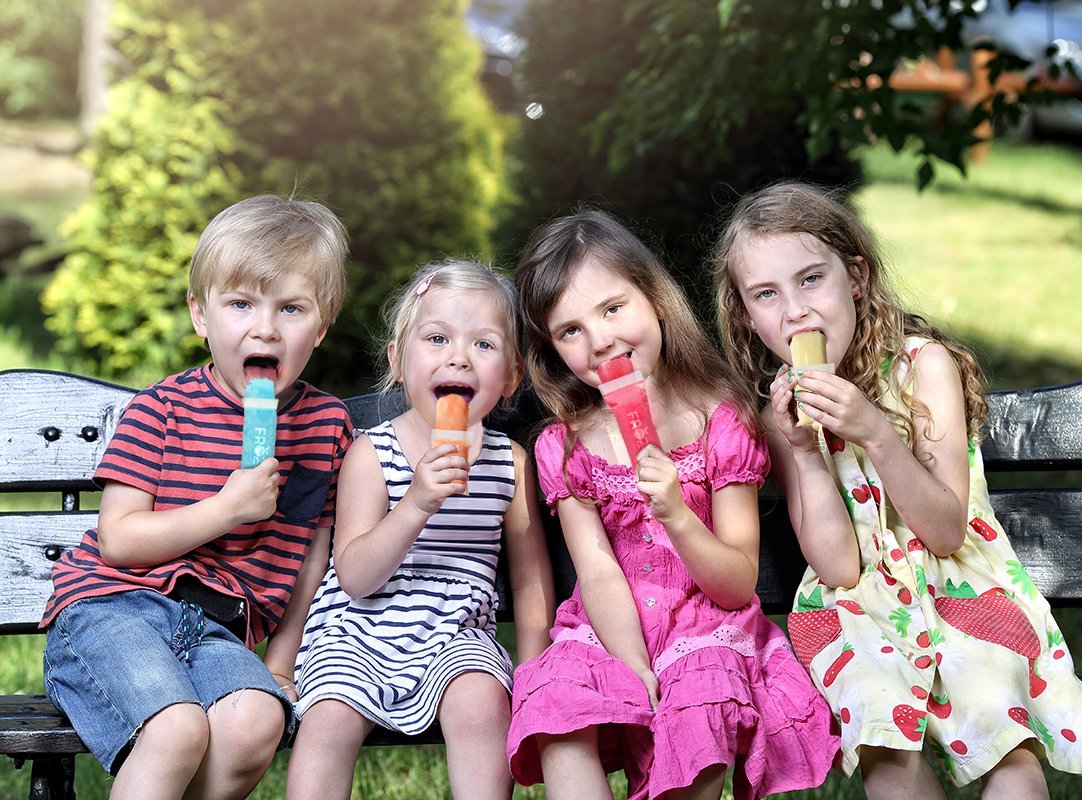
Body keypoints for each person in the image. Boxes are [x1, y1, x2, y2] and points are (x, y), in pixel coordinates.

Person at [714, 180, 1082, 798]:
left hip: (965, 590)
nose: (795, 311)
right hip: (860, 608)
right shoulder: (780, 415)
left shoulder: (923, 369)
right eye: (766, 295)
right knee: (887, 748)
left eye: (811, 279)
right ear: (748, 317)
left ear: (856, 275)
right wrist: (804, 455)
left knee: (1003, 743)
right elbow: (836, 566)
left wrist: (876, 433)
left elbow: (943, 530)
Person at [506, 209, 838, 800]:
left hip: (705, 630)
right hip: (608, 631)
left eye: (612, 309)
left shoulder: (721, 423)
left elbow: (736, 583)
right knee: (559, 711)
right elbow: (600, 572)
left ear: (655, 298)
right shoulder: (567, 446)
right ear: (553, 349)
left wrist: (677, 514)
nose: (600, 339)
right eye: (570, 330)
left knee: (698, 713)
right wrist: (632, 665)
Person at [40, 194, 354, 800]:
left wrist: (282, 662)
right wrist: (227, 509)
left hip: (220, 631)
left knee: (255, 721)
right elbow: (119, 540)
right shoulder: (162, 409)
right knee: (177, 730)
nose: (264, 327)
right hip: (112, 608)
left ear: (322, 321)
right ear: (201, 315)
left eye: (290, 308)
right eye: (240, 304)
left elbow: (314, 554)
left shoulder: (326, 426)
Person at [286, 259, 556, 800]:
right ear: (399, 361)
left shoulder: (511, 463)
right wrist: (414, 504)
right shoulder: (372, 453)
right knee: (328, 722)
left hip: (458, 635)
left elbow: (530, 582)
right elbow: (356, 576)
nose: (459, 356)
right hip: (355, 633)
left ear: (511, 377)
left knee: (482, 705)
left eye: (483, 344)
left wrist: (531, 673)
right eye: (437, 338)